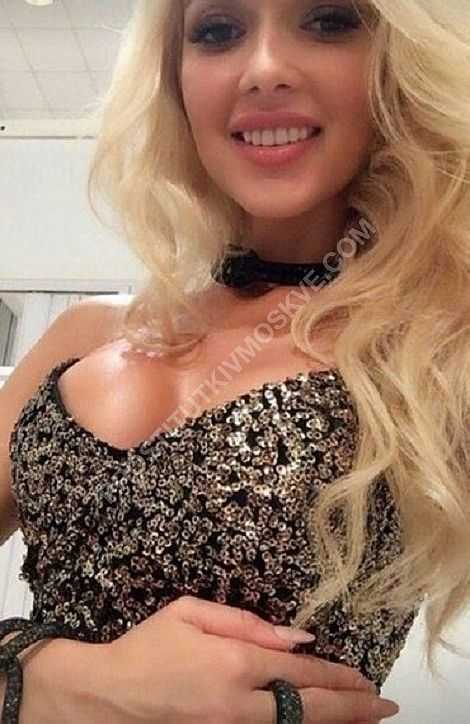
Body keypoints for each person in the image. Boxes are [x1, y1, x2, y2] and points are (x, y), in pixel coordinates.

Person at [1, 0, 469, 721]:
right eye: (218, 31)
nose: (264, 69)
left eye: (329, 20)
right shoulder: (82, 337)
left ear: (398, 61)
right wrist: (43, 683)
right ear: (176, 81)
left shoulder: (438, 355)